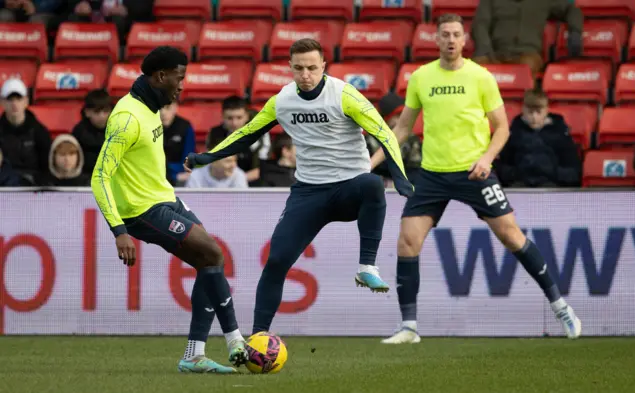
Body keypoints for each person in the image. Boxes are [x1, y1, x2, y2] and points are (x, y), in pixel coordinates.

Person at [370, 14, 581, 344]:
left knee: (512, 237)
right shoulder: (421, 77)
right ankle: (409, 327)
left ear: (464, 40)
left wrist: (486, 158)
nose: (451, 40)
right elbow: (402, 129)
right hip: (433, 173)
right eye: (445, 35)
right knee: (407, 241)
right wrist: (370, 163)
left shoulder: (480, 77)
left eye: (456, 34)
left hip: (474, 171)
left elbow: (502, 127)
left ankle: (561, 306)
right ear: (436, 39)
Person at [185, 38, 414, 335]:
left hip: (348, 189)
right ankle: (258, 337)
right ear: (290, 68)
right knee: (277, 259)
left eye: (312, 68)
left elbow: (384, 133)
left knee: (372, 184)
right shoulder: (282, 100)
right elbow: (247, 134)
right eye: (299, 69)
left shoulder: (344, 95)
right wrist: (208, 156)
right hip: (309, 193)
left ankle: (367, 267)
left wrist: (399, 175)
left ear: (324, 67)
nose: (305, 75)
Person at [90, 46, 248, 373]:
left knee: (209, 261)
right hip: (142, 211)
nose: (181, 86)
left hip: (165, 199)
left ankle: (194, 355)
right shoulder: (127, 117)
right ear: (160, 76)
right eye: (179, 78)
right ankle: (236, 341)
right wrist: (119, 230)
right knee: (213, 254)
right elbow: (99, 176)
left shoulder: (150, 108)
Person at [496, 88, 582, 188]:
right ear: (523, 109)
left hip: (552, 187)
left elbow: (574, 173)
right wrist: (519, 172)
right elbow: (502, 170)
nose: (534, 117)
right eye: (530, 112)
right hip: (519, 186)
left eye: (538, 112)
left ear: (546, 110)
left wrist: (550, 171)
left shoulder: (561, 135)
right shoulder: (513, 134)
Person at [0, 78, 51, 185]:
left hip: (33, 188)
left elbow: (46, 167)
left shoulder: (40, 132)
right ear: (2, 102)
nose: (14, 104)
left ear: (26, 101)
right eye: (10, 99)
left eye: (18, 98)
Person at [72, 89, 113, 175]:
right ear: (87, 112)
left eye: (106, 111)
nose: (102, 116)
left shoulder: (119, 130)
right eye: (97, 112)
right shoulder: (79, 132)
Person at [159, 102, 195, 186]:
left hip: (179, 176)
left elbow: (187, 161)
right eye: (159, 108)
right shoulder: (148, 127)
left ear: (175, 108)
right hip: (155, 175)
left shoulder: (185, 127)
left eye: (168, 107)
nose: (163, 112)